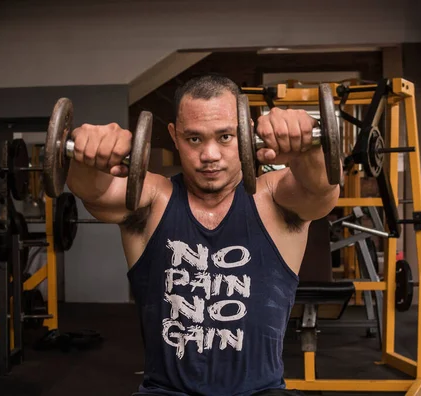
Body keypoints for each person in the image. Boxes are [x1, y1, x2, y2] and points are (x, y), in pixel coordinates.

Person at [66, 74, 341, 396]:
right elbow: (93, 192)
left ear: (248, 130)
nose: (210, 154)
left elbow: (320, 188)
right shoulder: (153, 198)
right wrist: (87, 155)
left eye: (225, 137)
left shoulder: (274, 198)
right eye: (194, 139)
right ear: (174, 135)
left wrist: (306, 144)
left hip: (260, 392)